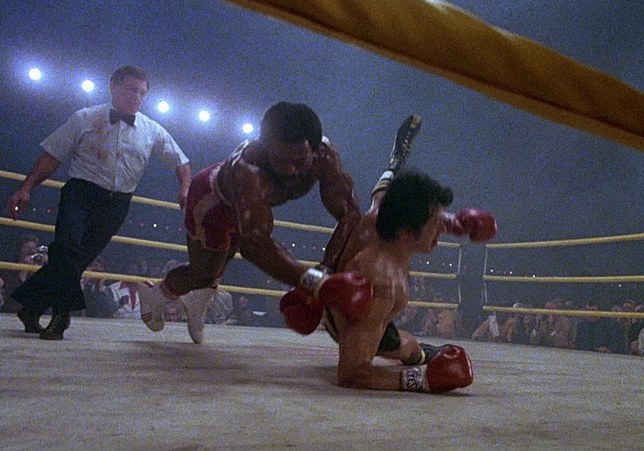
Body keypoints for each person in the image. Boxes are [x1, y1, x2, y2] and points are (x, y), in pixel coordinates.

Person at [139, 101, 366, 344]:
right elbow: (255, 246)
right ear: (265, 147)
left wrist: (327, 269)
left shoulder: (326, 156)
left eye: (300, 161)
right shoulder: (248, 169)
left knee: (223, 259)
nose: (291, 170)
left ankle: (197, 300)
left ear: (315, 149)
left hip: (248, 206)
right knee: (203, 273)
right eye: (281, 160)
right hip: (212, 203)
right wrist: (316, 282)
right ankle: (155, 295)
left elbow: (350, 216)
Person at [7, 65, 191, 340]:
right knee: (67, 249)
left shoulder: (152, 129)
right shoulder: (85, 117)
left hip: (117, 203)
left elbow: (181, 161)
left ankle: (30, 307)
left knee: (75, 260)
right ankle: (61, 317)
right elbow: (52, 155)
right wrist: (26, 188)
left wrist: (185, 187)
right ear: (113, 87)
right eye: (131, 89)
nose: (137, 97)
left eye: (142, 92)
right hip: (80, 194)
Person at [281, 167, 497, 392]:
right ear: (407, 231)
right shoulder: (381, 285)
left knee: (410, 347)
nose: (441, 230)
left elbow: (382, 193)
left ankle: (419, 353)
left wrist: (451, 220)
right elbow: (351, 374)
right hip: (352, 316)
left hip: (357, 304)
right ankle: (416, 355)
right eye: (435, 223)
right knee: (403, 345)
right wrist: (422, 380)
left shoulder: (383, 215)